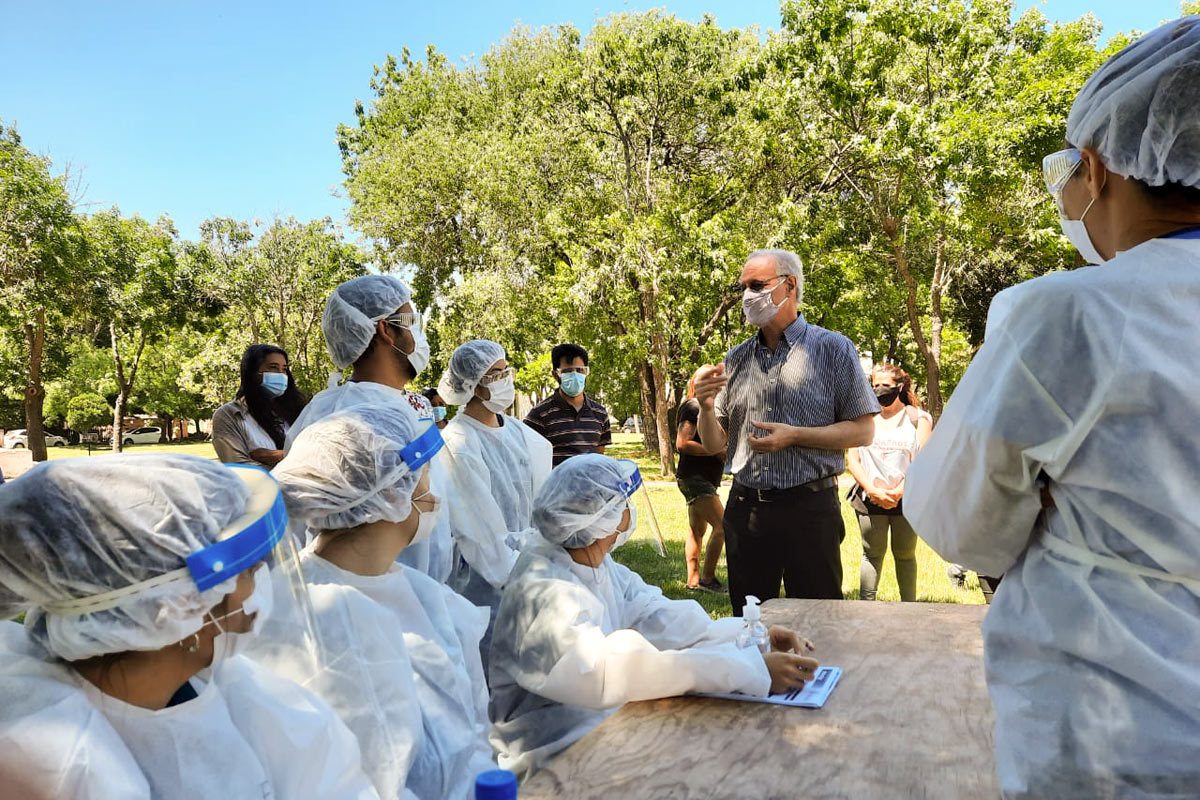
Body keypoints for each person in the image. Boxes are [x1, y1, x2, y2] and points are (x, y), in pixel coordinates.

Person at [904, 18, 1200, 799]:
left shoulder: (1069, 317)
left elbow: (957, 522)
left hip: (1116, 745)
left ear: (1098, 170)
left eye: (1071, 173)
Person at [0, 455, 378, 800]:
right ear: (175, 611)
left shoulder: (208, 684)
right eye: (246, 569)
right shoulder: (69, 770)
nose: (262, 577)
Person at [488, 454, 819, 779]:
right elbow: (611, 672)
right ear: (598, 519)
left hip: (602, 730)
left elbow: (657, 614)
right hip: (551, 755)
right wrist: (747, 669)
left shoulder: (593, 565)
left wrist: (748, 634)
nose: (629, 512)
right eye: (622, 504)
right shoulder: (544, 592)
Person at [250, 403, 495, 800]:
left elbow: (473, 734)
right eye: (426, 476)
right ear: (392, 494)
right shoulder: (303, 619)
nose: (434, 492)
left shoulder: (426, 596)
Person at [693, 249, 879, 614]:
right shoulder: (737, 358)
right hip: (745, 510)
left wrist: (795, 435)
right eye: (744, 287)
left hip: (808, 509)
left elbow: (863, 431)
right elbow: (718, 444)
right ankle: (757, 674)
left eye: (757, 285)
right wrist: (705, 406)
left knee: (820, 619)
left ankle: (818, 675)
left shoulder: (833, 349)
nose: (747, 296)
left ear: (789, 285)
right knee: (749, 621)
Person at [285, 274, 455, 583]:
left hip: (416, 589)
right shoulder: (339, 416)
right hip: (367, 587)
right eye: (411, 320)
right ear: (386, 329)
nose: (419, 331)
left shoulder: (411, 405)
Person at [437, 340, 552, 665]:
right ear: (473, 385)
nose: (506, 380)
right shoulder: (459, 444)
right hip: (485, 586)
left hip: (533, 570)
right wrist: (528, 574)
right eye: (496, 375)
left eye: (506, 371)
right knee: (495, 670)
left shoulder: (517, 431)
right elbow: (484, 538)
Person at [844, 363, 932, 602]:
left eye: (886, 386)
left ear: (899, 386)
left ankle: (909, 609)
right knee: (872, 554)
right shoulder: (863, 419)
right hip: (869, 498)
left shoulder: (918, 419)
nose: (880, 390)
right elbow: (853, 460)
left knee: (905, 554)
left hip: (907, 499)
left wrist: (899, 492)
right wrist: (873, 491)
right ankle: (867, 607)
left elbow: (924, 462)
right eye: (875, 385)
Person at [212, 344, 308, 468]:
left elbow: (323, 454)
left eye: (284, 369)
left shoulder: (299, 410)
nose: (281, 375)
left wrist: (276, 456)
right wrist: (300, 460)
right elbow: (242, 468)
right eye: (273, 367)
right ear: (252, 372)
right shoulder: (229, 415)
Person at [675, 370, 726, 591]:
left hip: (699, 478)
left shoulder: (705, 407)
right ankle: (707, 579)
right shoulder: (694, 406)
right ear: (697, 383)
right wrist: (714, 450)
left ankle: (693, 581)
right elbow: (682, 443)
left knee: (697, 530)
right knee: (724, 526)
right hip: (695, 478)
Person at [523, 343, 611, 466]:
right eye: (568, 371)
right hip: (555, 484)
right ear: (555, 374)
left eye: (580, 370)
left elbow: (599, 454)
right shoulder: (539, 415)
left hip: (590, 484)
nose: (575, 375)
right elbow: (528, 458)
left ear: (586, 372)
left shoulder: (600, 413)